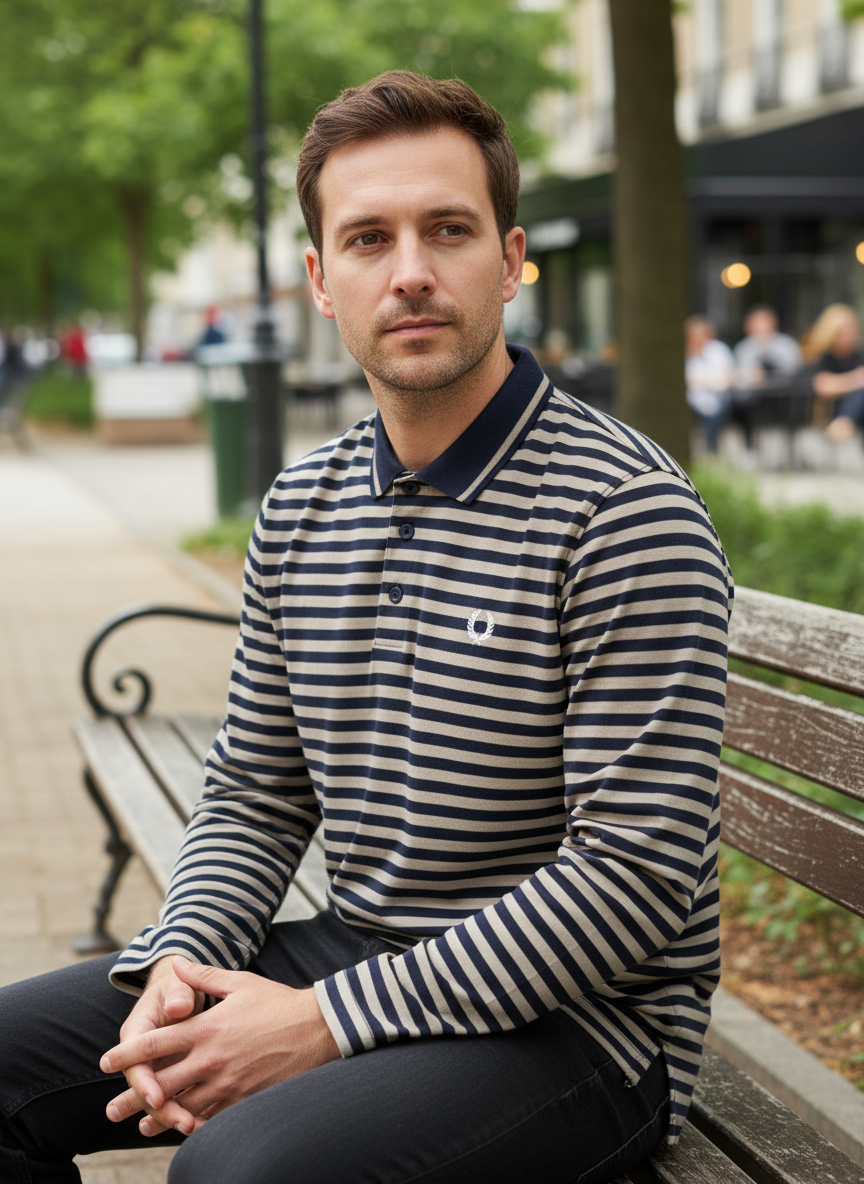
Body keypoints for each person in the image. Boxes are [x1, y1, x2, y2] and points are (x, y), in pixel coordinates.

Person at [0, 72, 732, 1184]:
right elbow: (258, 790)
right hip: (361, 952)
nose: (411, 271)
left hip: (585, 1026)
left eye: (449, 229)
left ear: (512, 259)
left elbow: (630, 877)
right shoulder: (303, 503)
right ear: (320, 280)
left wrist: (321, 1022)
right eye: (368, 238)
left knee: (237, 1171)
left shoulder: (622, 510)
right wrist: (181, 959)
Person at [732, 306, 802, 449]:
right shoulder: (743, 348)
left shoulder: (786, 344)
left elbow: (795, 370)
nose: (761, 328)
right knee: (740, 404)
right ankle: (750, 447)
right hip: (754, 395)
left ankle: (792, 448)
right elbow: (740, 375)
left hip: (783, 395)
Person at [806, 303, 864, 443]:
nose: (849, 338)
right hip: (829, 411)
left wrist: (841, 383)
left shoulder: (858, 357)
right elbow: (823, 387)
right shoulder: (822, 358)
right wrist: (856, 379)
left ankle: (845, 421)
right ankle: (844, 421)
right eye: (843, 334)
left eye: (851, 333)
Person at [685, 315, 735, 453]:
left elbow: (728, 376)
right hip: (692, 400)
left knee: (715, 412)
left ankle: (711, 449)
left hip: (718, 398)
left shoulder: (718, 350)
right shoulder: (685, 352)